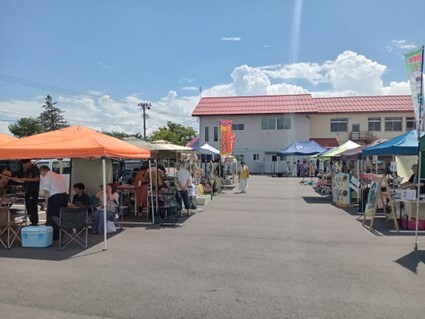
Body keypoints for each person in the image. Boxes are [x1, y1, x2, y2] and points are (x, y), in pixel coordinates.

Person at [39, 165, 68, 240]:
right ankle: (60, 234)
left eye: (41, 173)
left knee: (52, 216)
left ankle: (53, 235)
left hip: (55, 197)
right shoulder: (58, 175)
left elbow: (46, 191)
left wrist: (46, 202)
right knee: (60, 216)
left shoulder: (47, 176)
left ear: (44, 170)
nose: (41, 175)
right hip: (64, 196)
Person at [13, 159, 40, 226]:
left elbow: (37, 178)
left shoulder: (34, 168)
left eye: (25, 164)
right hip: (27, 190)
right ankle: (32, 221)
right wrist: (18, 180)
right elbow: (24, 181)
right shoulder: (26, 170)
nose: (24, 166)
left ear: (29, 162)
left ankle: (35, 222)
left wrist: (24, 179)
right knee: (28, 207)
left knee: (33, 206)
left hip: (33, 190)